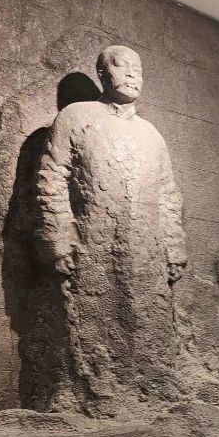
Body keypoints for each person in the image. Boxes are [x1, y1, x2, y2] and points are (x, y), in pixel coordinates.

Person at [34, 45, 190, 414]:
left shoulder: (151, 134)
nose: (133, 74)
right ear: (103, 74)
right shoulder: (76, 117)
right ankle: (96, 394)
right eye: (123, 66)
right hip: (94, 241)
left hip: (146, 246)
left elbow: (167, 194)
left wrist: (174, 247)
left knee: (149, 317)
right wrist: (58, 238)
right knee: (94, 318)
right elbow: (52, 177)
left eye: (139, 69)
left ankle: (152, 390)